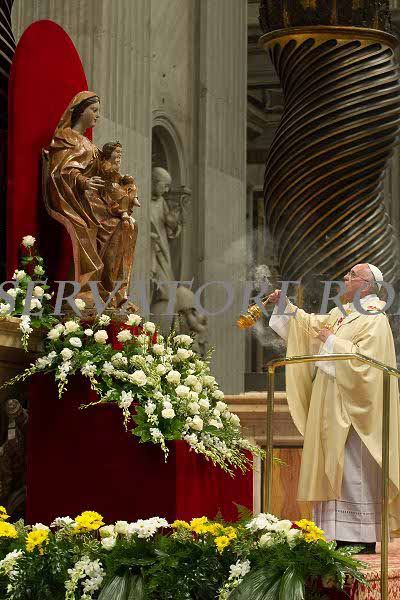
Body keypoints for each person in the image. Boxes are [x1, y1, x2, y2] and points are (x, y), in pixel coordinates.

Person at [267, 263, 400, 552]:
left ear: (367, 285)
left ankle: (360, 537)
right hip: (330, 404)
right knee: (333, 467)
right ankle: (336, 534)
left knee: (353, 470)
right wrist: (285, 306)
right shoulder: (342, 313)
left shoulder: (374, 318)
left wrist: (330, 341)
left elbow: (370, 366)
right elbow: (309, 327)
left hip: (356, 411)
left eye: (352, 275)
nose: (345, 278)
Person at [46, 92, 137, 306]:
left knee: (126, 226)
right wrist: (82, 181)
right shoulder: (66, 138)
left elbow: (106, 175)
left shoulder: (91, 146)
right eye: (94, 110)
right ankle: (88, 290)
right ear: (80, 111)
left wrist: (125, 188)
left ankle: (112, 291)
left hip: (94, 201)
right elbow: (60, 171)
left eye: (98, 111)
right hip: (74, 200)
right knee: (94, 227)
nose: (97, 115)